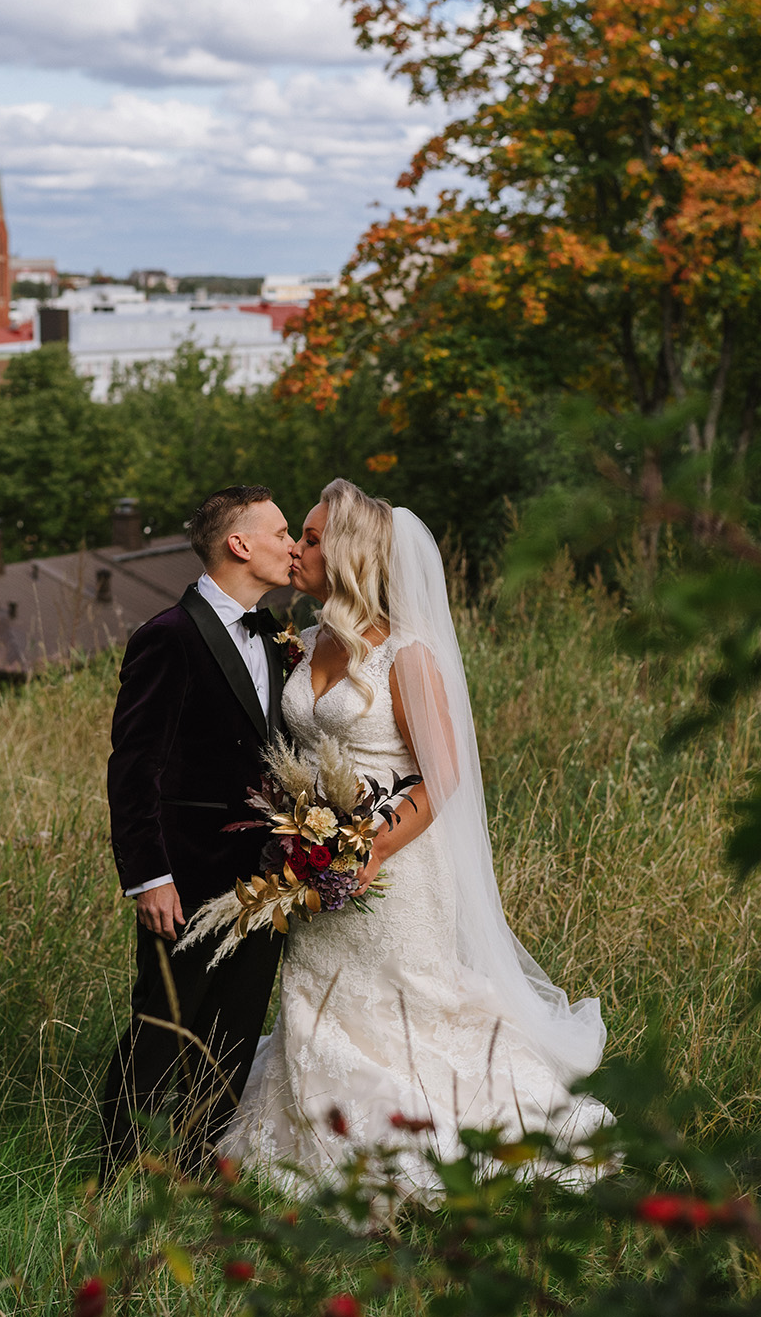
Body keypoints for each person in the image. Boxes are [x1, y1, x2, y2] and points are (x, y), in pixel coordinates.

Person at [218, 478, 609, 1200]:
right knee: (318, 998)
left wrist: (368, 852)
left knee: (406, 1002)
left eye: (309, 538)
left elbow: (443, 775)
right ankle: (316, 1133)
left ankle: (438, 1136)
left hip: (394, 869)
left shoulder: (405, 655)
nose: (297, 550)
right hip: (315, 863)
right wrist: (294, 834)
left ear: (349, 555)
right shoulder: (301, 646)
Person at [100, 485, 294, 1176]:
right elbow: (135, 769)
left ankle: (195, 1166)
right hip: (187, 875)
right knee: (164, 1026)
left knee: (234, 1034)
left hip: (270, 876)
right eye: (280, 532)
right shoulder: (167, 637)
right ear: (238, 544)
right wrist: (149, 877)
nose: (293, 544)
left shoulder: (277, 636)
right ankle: (112, 1172)